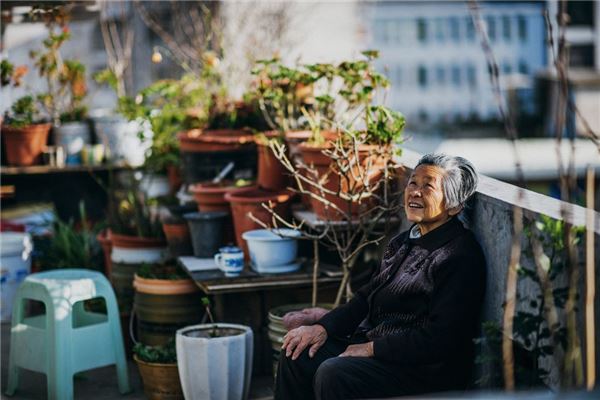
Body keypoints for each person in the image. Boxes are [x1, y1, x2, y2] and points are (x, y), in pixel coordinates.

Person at [275, 153, 486, 400]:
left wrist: (371, 348)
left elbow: (441, 338)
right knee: (297, 352)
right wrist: (322, 327)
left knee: (335, 373)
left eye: (428, 186)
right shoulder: (404, 241)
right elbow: (366, 298)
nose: (415, 192)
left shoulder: (458, 256)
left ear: (454, 205)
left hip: (423, 371)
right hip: (381, 351)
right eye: (413, 183)